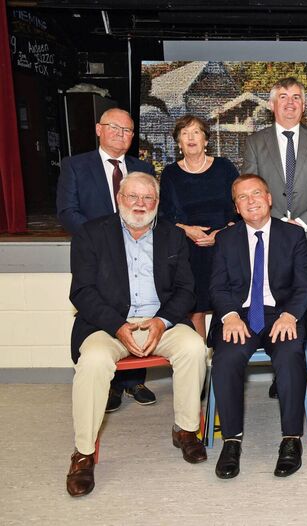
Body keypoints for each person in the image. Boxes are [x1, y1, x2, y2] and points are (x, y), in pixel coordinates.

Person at [65, 172, 207, 497]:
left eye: (148, 198)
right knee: (94, 361)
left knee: (194, 347)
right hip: (109, 324)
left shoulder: (172, 235)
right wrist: (117, 325)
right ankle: (84, 453)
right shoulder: (91, 234)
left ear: (157, 203)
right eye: (133, 197)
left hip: (160, 322)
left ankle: (185, 430)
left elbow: (187, 290)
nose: (140, 204)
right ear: (119, 199)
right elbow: (82, 292)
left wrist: (162, 321)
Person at [208, 174, 307, 479]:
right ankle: (231, 441)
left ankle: (291, 439)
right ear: (236, 208)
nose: (251, 201)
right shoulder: (226, 239)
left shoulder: (292, 236)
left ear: (269, 199)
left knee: (290, 353)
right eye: (243, 197)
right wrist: (228, 316)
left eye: (256, 194)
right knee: (226, 359)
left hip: (280, 314)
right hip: (239, 316)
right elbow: (217, 286)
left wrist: (290, 314)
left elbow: (305, 285)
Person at [242, 76, 307, 399]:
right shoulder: (256, 143)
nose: (290, 102)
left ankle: (305, 372)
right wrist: (275, 226)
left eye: (296, 97)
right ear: (272, 105)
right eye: (283, 97)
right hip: (268, 241)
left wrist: (303, 223)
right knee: (278, 300)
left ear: (304, 104)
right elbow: (250, 190)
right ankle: (282, 369)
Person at [56, 108, 157, 413]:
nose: (121, 134)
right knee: (107, 308)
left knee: (140, 305)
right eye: (115, 128)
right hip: (97, 255)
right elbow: (67, 211)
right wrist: (100, 240)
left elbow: (152, 207)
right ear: (99, 130)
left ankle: (135, 381)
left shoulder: (142, 166)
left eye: (127, 130)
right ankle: (110, 383)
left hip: (139, 250)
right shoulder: (75, 166)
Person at [160, 115, 239, 339]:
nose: (191, 137)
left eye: (196, 132)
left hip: (225, 245)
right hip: (187, 248)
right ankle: (200, 367)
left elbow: (239, 207)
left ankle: (223, 364)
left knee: (226, 306)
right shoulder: (170, 173)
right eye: (185, 134)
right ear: (179, 143)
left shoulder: (224, 167)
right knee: (195, 308)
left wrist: (221, 234)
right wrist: (187, 230)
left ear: (206, 140)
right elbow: (164, 215)